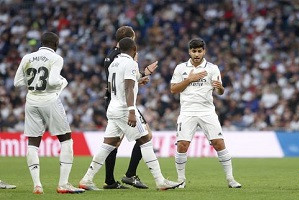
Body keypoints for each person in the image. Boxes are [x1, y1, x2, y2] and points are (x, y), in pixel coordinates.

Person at [79, 38, 183, 191]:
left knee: (108, 144)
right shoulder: (130, 63)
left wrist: (138, 80)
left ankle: (87, 179)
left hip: (112, 107)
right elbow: (128, 88)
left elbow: (112, 86)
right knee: (146, 139)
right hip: (123, 109)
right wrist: (131, 111)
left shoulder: (114, 63)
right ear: (134, 49)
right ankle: (160, 181)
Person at [13, 32, 85, 194]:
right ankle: (63, 184)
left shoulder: (27, 58)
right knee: (66, 140)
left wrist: (34, 82)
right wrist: (62, 82)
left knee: (33, 143)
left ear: (41, 42)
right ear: (56, 44)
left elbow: (17, 82)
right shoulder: (56, 58)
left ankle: (37, 185)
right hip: (49, 100)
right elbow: (52, 81)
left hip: (31, 101)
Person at [170, 38, 241, 188]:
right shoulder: (180, 68)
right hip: (187, 111)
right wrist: (189, 79)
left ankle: (230, 179)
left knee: (219, 143)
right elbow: (173, 89)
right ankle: (181, 180)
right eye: (194, 51)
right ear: (189, 51)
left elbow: (220, 92)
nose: (197, 54)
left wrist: (220, 88)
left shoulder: (212, 68)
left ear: (204, 51)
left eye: (199, 51)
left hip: (207, 111)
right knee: (182, 145)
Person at [102, 26, 157, 190]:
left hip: (113, 101)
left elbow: (118, 81)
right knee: (145, 136)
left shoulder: (110, 56)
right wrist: (141, 70)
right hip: (124, 103)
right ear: (129, 39)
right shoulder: (123, 57)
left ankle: (110, 180)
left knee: (113, 142)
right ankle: (130, 175)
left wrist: (140, 77)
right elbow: (125, 84)